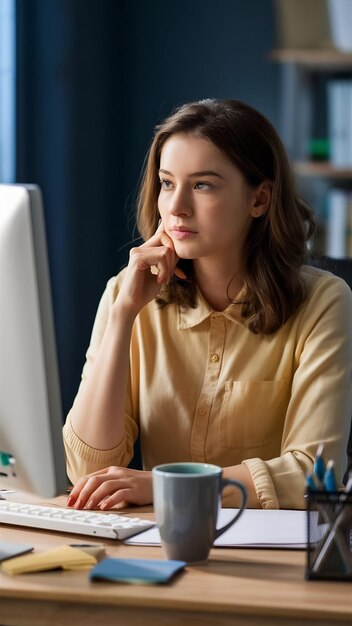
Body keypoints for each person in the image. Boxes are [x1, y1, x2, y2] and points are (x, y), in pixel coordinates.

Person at [63, 98, 352, 511]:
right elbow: (89, 470)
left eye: (202, 185)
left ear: (260, 199)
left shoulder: (324, 302)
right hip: (160, 543)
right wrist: (124, 313)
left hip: (268, 562)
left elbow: (311, 473)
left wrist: (165, 487)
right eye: (166, 183)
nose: (176, 206)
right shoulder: (126, 294)